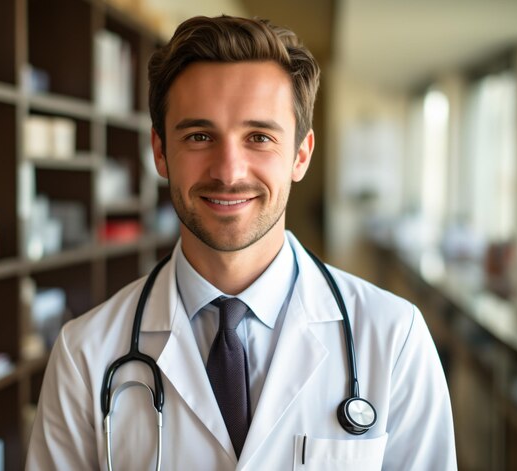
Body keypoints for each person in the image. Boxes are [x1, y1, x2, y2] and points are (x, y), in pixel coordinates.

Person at [26, 15, 456, 470]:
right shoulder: (85, 355)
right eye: (199, 136)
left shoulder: (394, 339)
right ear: (159, 151)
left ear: (300, 154)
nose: (229, 172)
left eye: (258, 137)